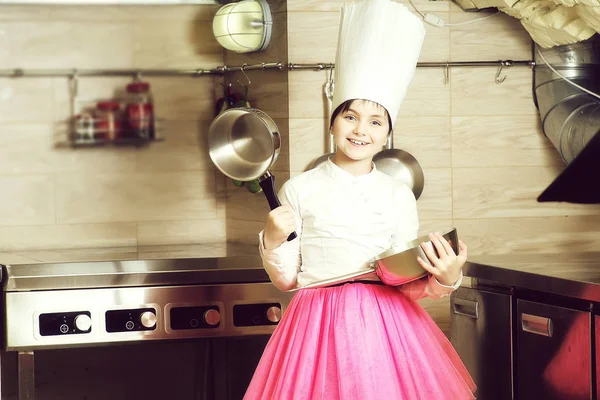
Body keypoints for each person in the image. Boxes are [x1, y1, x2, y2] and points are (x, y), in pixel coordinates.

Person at [244, 0, 476, 398]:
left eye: (375, 121)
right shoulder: (299, 189)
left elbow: (406, 282)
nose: (360, 131)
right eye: (350, 117)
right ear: (332, 122)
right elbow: (286, 280)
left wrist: (446, 277)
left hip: (389, 331)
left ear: (387, 134)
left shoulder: (398, 194)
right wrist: (271, 237)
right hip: (315, 330)